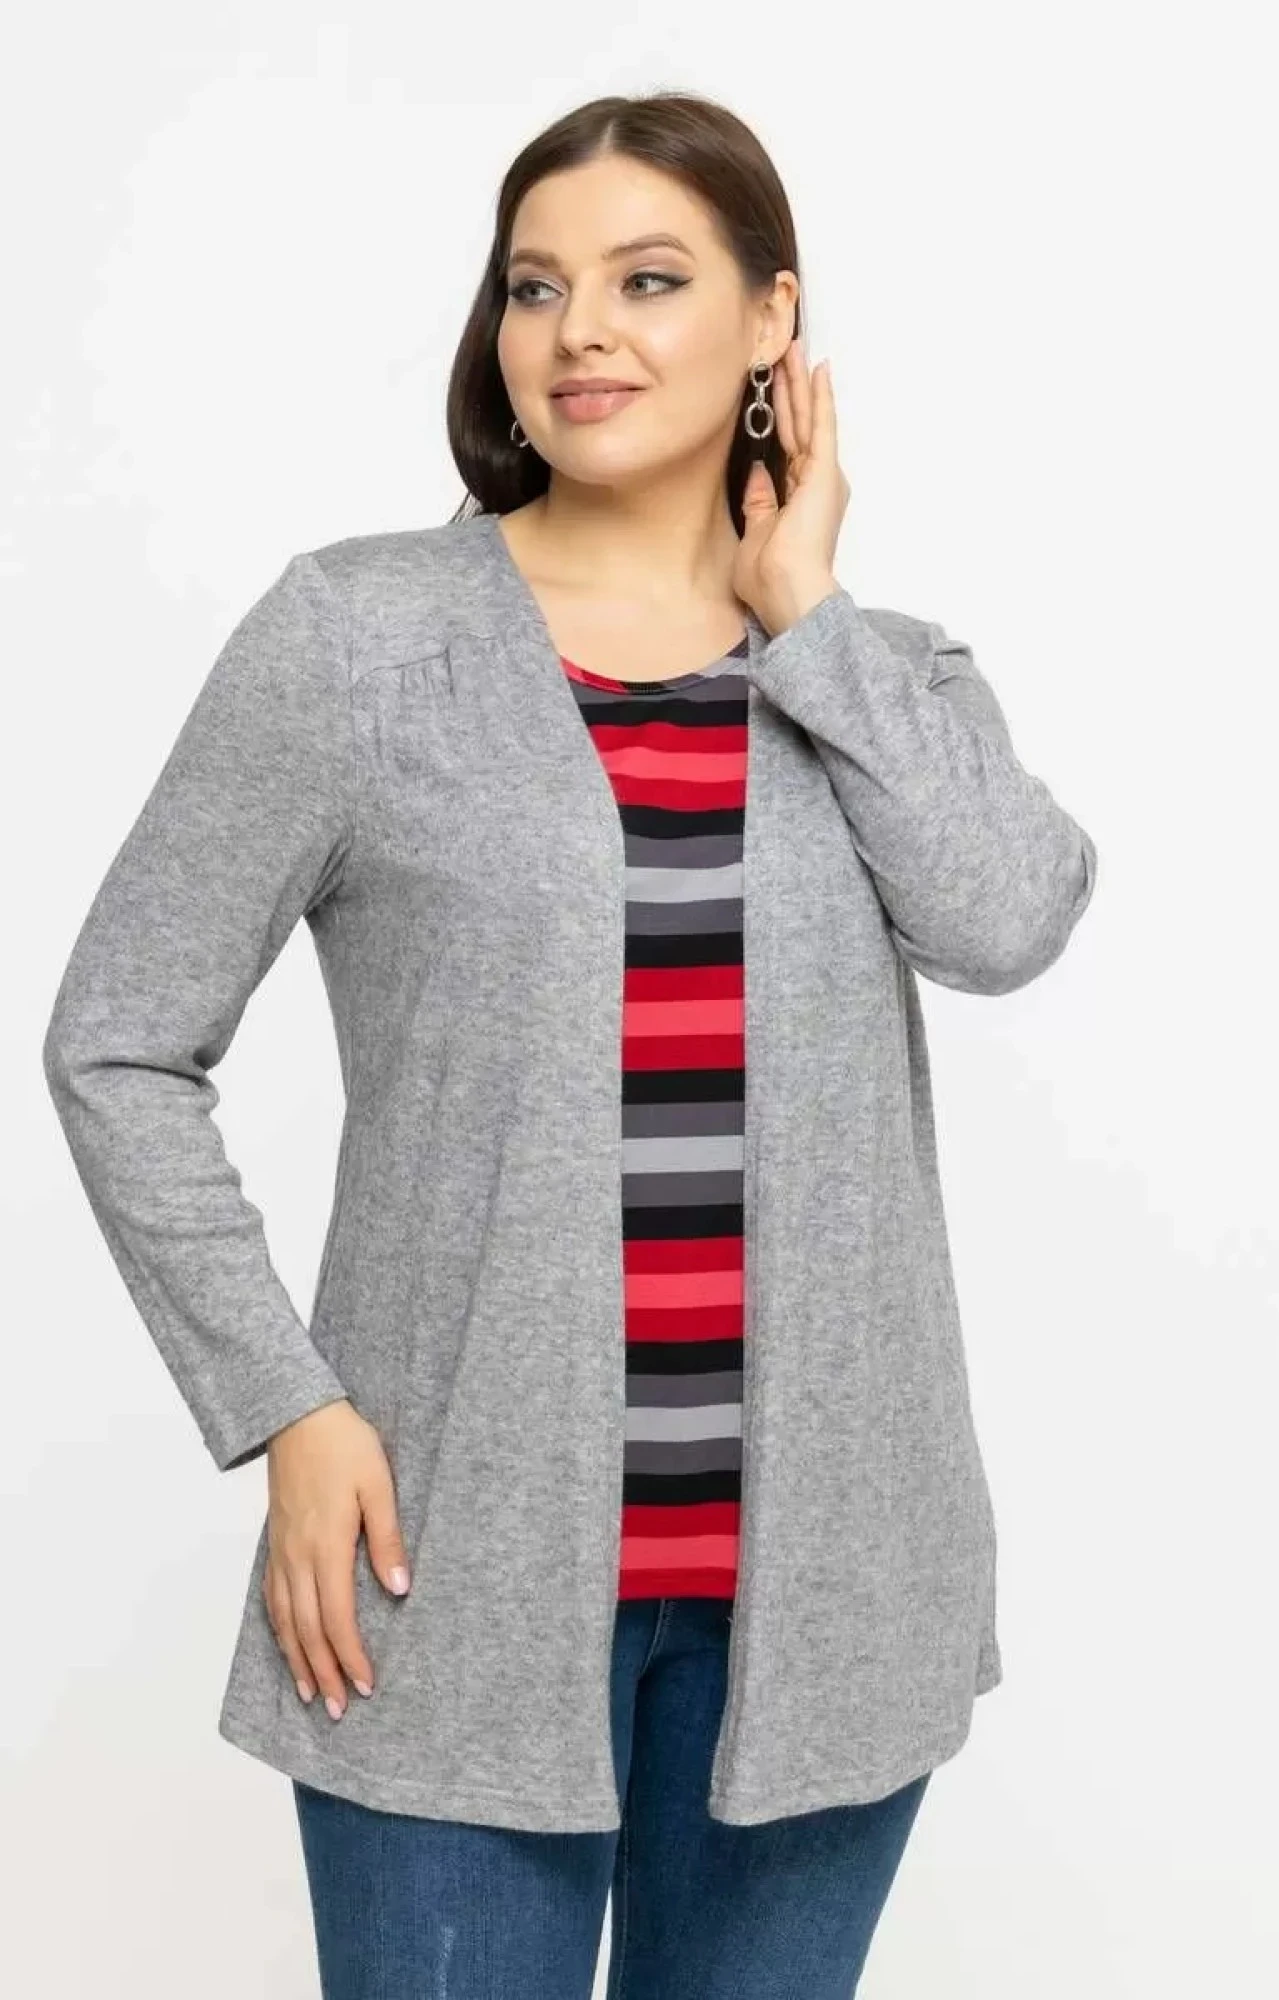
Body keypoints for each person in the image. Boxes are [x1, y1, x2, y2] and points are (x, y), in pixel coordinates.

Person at [41, 89, 1098, 2000]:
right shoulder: (360, 640)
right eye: (536, 287)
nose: (579, 330)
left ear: (775, 318)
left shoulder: (881, 676)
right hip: (447, 1571)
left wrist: (807, 615)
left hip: (829, 1596)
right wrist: (285, 1403)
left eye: (648, 279)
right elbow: (119, 1041)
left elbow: (1009, 919)